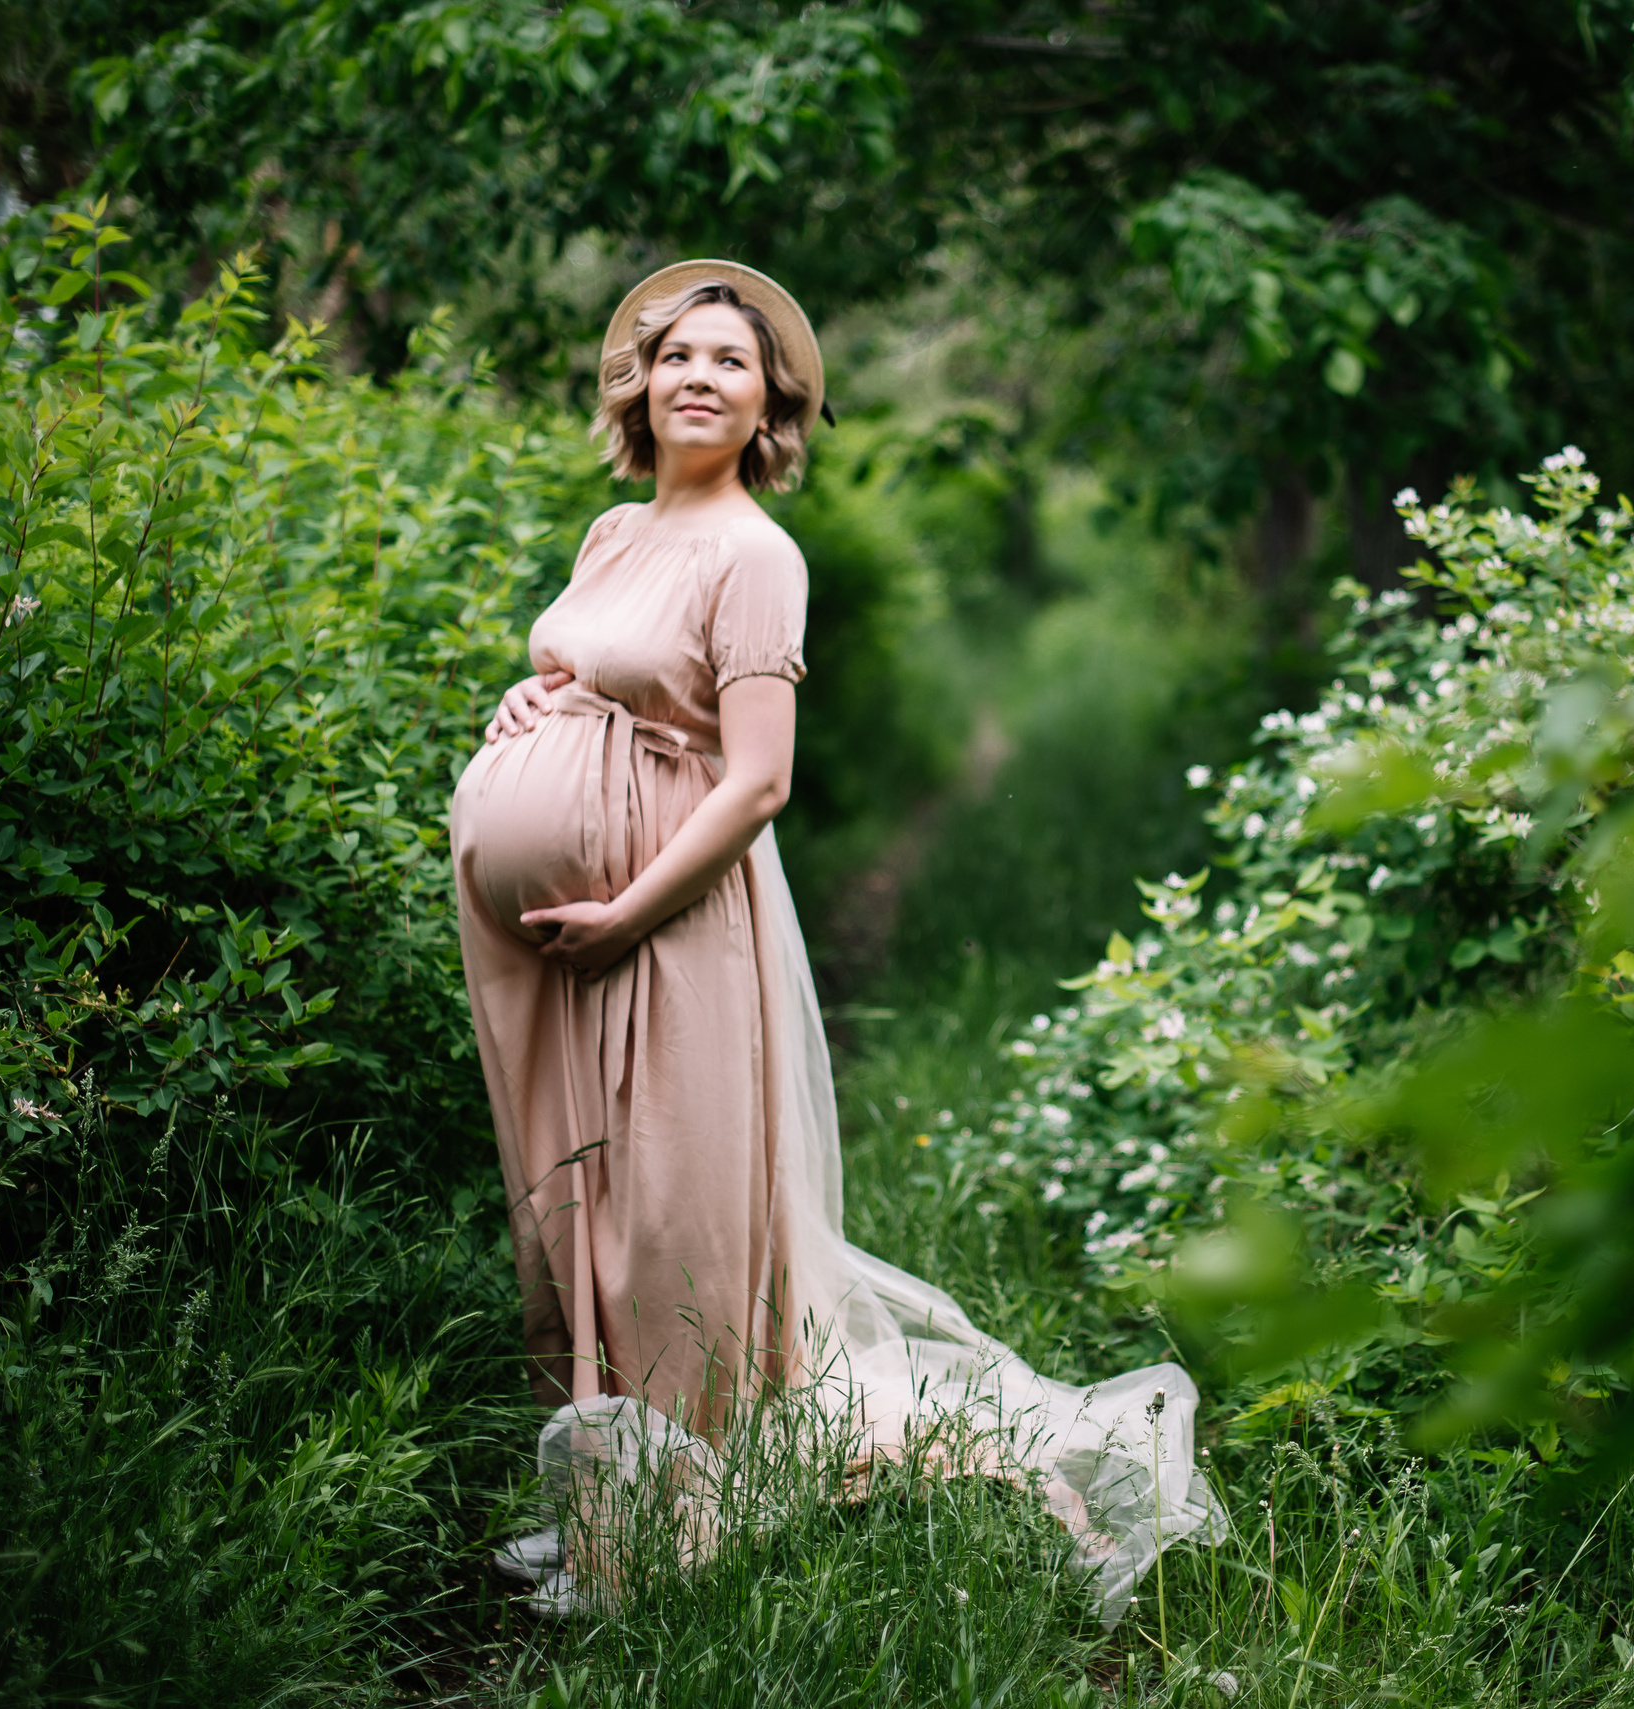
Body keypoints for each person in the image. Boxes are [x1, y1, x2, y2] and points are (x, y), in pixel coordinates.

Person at [447, 260, 1224, 1620]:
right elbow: (588, 666)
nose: (699, 376)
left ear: (769, 406)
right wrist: (532, 700)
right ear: (642, 382)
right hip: (540, 942)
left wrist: (629, 907)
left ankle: (667, 1531)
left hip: (668, 924)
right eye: (677, 354)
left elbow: (755, 780)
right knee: (573, 1207)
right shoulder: (614, 533)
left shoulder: (761, 554)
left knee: (670, 1222)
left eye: (729, 363)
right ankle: (597, 1498)